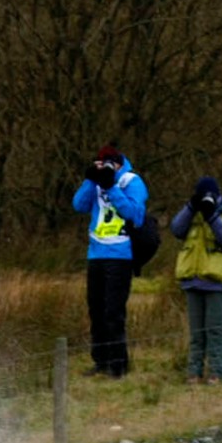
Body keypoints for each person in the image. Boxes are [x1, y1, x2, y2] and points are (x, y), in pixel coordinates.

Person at [71, 144, 149, 377]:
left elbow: (135, 215)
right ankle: (101, 361)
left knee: (113, 312)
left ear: (117, 163)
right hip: (96, 254)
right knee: (96, 310)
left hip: (120, 255)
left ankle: (118, 364)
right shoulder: (97, 181)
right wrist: (90, 180)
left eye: (108, 164)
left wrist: (111, 187)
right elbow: (79, 205)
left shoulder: (131, 181)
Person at [170, 176, 222, 383]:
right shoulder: (192, 214)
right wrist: (191, 206)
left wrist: (212, 216)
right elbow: (176, 229)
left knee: (216, 330)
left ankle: (216, 372)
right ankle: (194, 371)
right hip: (192, 279)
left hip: (217, 281)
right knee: (196, 331)